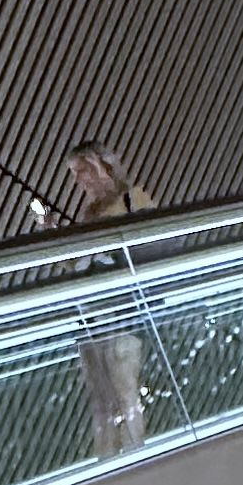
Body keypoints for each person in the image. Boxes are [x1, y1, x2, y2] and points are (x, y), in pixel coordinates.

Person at [61, 144, 160, 456]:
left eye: (83, 170)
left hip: (125, 307)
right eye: (75, 174)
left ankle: (134, 457)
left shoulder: (132, 200)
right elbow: (80, 264)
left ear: (101, 166)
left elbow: (152, 243)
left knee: (125, 390)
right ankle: (106, 462)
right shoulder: (89, 214)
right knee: (101, 399)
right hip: (93, 312)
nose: (80, 180)